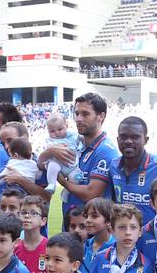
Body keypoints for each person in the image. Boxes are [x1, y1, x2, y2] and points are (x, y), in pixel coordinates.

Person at [42, 93, 118, 230]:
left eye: (85, 114)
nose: (78, 119)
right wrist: (49, 152)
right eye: (76, 113)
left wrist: (63, 182)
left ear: (101, 116)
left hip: (91, 232)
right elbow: (40, 165)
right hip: (73, 227)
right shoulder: (78, 145)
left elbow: (91, 193)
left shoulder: (105, 150)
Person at [40, 111, 79, 192]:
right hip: (58, 164)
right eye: (52, 131)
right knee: (52, 166)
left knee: (75, 177)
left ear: (66, 126)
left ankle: (66, 192)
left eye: (60, 129)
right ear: (48, 131)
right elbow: (42, 159)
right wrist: (50, 150)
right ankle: (52, 184)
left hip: (72, 166)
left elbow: (81, 143)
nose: (57, 133)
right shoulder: (49, 140)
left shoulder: (74, 136)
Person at [14, 196, 48, 273]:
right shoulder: (15, 247)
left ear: (43, 221)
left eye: (33, 213)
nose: (27, 216)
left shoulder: (49, 247)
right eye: (23, 212)